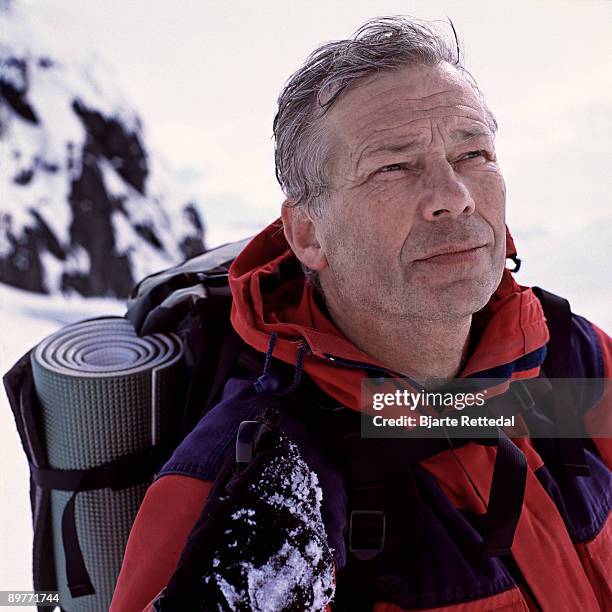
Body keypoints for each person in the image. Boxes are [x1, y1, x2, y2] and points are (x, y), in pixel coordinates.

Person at [111, 16, 611, 611]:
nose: (454, 194)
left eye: (472, 152)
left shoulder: (567, 357)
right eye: (393, 166)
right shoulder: (266, 484)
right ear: (307, 234)